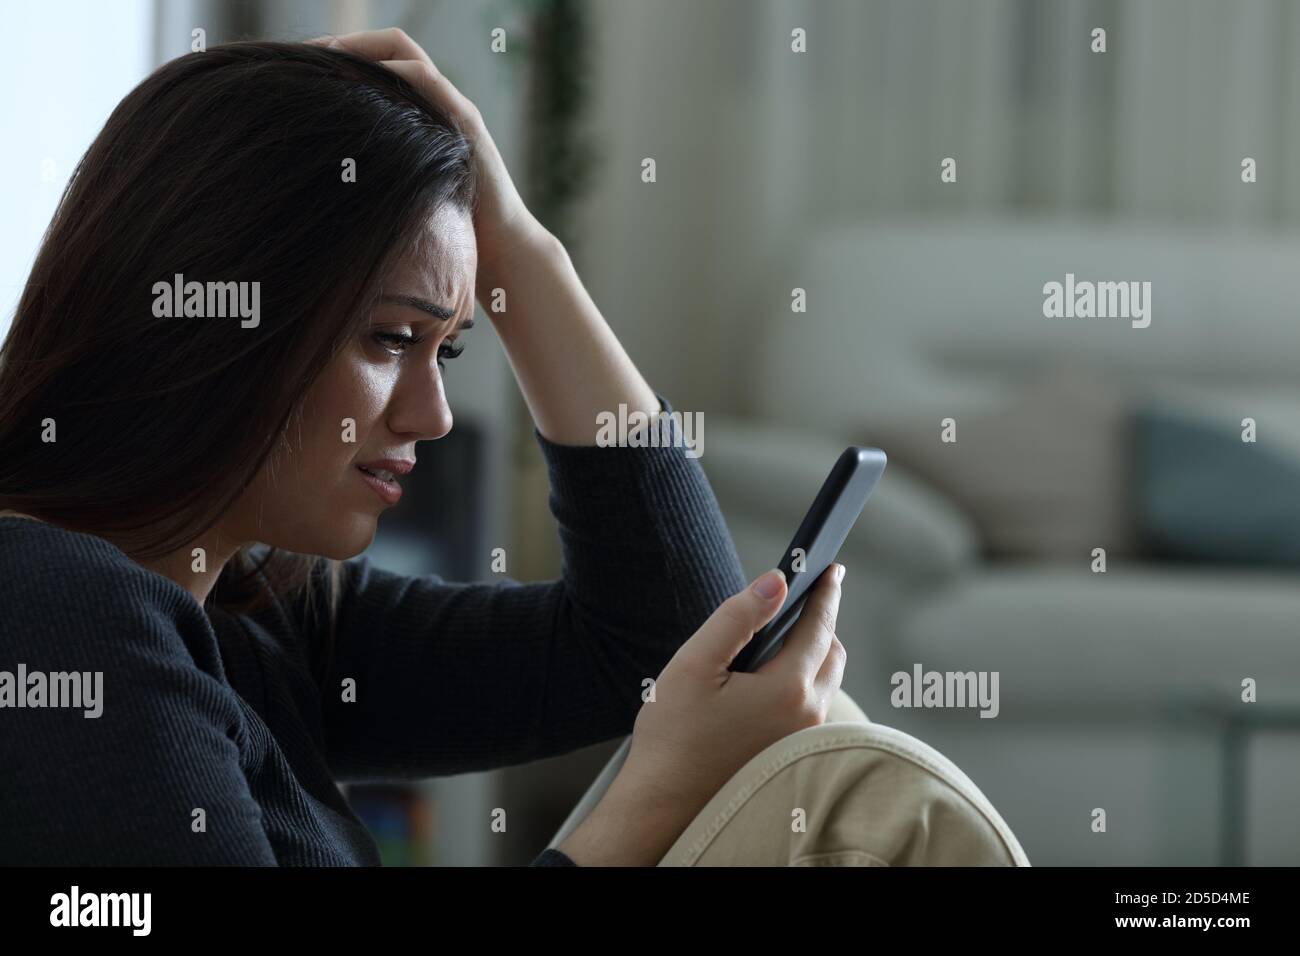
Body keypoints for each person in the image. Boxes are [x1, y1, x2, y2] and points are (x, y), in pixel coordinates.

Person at [0, 29, 851, 866]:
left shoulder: (254, 605)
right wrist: (662, 789)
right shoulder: (55, 619)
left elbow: (658, 641)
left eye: (446, 348)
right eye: (390, 338)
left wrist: (517, 241)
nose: (434, 416)